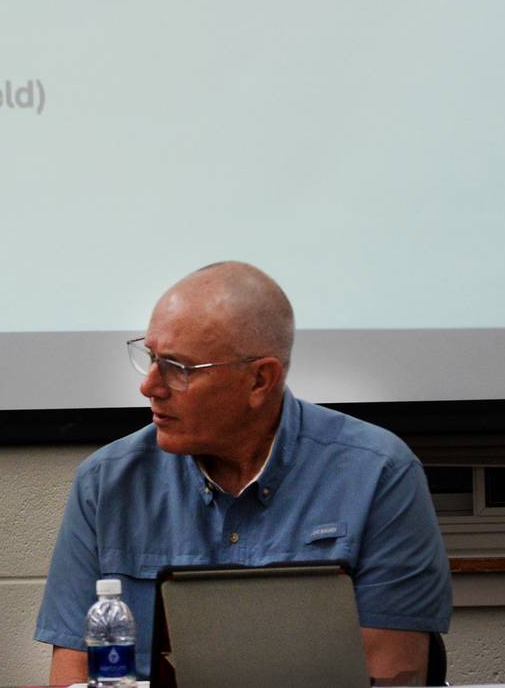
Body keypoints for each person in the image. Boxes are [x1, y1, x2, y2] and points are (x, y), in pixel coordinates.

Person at [35, 262, 452, 687]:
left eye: (178, 368)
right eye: (151, 358)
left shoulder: (378, 474)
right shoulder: (106, 484)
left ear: (260, 379)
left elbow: (393, 676)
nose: (150, 386)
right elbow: (73, 674)